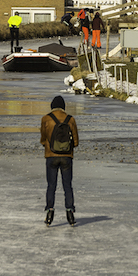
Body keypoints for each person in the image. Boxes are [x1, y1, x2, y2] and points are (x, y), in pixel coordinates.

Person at [39, 94, 78, 226]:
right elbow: (76, 142)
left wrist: (50, 146)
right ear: (63, 107)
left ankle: (50, 213)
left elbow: (43, 139)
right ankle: (70, 213)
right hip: (67, 156)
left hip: (51, 156)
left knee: (51, 186)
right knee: (67, 186)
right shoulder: (71, 119)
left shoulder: (45, 119)